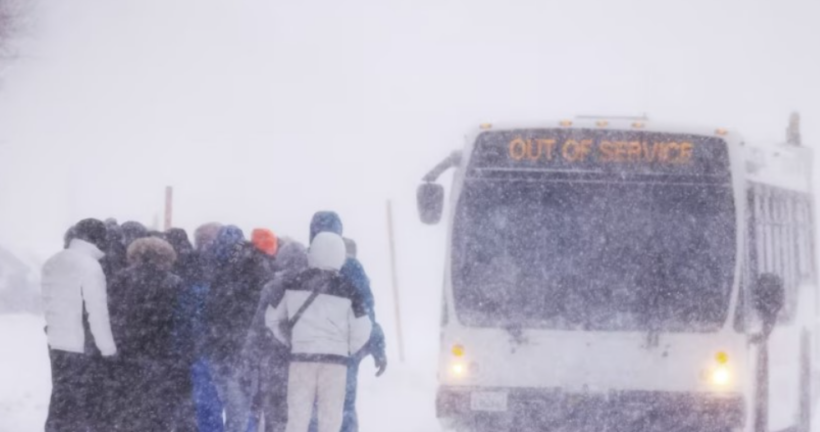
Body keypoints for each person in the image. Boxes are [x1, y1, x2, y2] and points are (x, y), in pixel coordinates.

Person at [266, 232, 372, 432]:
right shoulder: (350, 289)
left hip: (301, 359)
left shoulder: (292, 283)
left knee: (297, 418)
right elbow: (363, 327)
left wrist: (290, 341)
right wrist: (346, 348)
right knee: (330, 420)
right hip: (335, 364)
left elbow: (271, 318)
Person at [309, 211, 388, 432]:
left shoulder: (302, 263)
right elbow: (366, 314)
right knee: (343, 410)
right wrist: (378, 347)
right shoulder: (352, 268)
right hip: (344, 356)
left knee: (310, 413)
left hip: (305, 355)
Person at [41, 218, 117, 432]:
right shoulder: (90, 266)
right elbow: (97, 313)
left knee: (60, 401)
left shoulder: (52, 261)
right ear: (97, 239)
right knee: (86, 409)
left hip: (56, 342)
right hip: (83, 346)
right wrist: (108, 350)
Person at [107, 237, 183, 431]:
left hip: (126, 352)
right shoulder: (175, 282)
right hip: (161, 353)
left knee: (127, 408)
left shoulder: (121, 278)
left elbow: (111, 313)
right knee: (158, 411)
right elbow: (180, 321)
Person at [205, 226, 272, 432]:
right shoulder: (259, 266)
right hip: (244, 347)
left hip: (223, 347)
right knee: (241, 410)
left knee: (229, 406)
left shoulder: (217, 268)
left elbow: (212, 310)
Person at [244, 241, 309, 432]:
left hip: (275, 364)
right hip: (306, 362)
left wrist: (249, 358)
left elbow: (258, 326)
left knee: (275, 419)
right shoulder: (316, 287)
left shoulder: (272, 288)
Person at [188, 223, 227, 432]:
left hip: (200, 347)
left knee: (204, 405)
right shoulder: (227, 265)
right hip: (219, 345)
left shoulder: (190, 265)